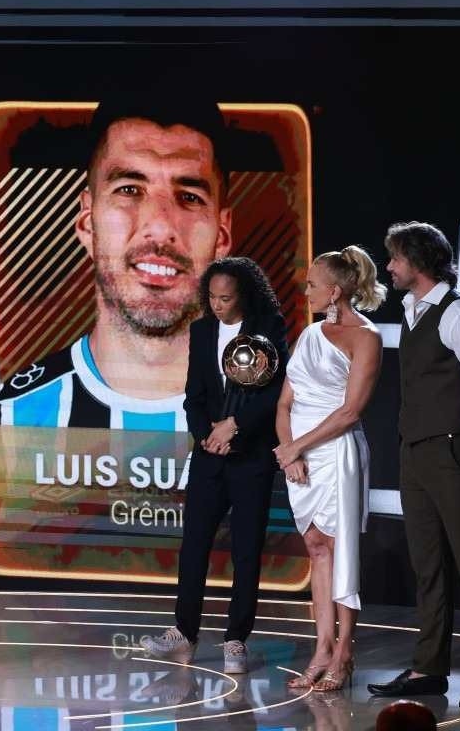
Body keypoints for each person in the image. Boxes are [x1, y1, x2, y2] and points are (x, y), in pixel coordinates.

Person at [0, 95, 233, 430]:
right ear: (87, 223)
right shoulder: (5, 420)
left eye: (189, 197)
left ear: (222, 235)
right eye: (130, 190)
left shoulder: (291, 413)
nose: (160, 227)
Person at [366, 221, 460, 712]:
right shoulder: (412, 310)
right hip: (416, 452)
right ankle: (430, 668)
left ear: (419, 263)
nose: (389, 268)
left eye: (395, 259)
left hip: (453, 451)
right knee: (428, 565)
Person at [140, 256, 289, 674]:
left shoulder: (270, 330)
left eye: (226, 298)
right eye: (212, 297)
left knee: (246, 551)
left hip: (252, 458)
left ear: (244, 295)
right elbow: (195, 395)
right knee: (194, 546)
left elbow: (274, 393)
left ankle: (236, 640)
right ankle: (183, 634)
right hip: (208, 455)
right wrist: (206, 434)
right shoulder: (202, 330)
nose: (218, 305)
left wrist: (235, 428)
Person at [273, 246, 385, 691]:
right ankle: (321, 648)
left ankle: (345, 653)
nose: (306, 292)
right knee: (317, 547)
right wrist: (290, 451)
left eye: (313, 285)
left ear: (335, 291)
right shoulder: (309, 335)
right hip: (300, 458)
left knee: (341, 554)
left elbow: (350, 412)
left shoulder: (367, 339)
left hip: (337, 454)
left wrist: (297, 447)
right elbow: (285, 403)